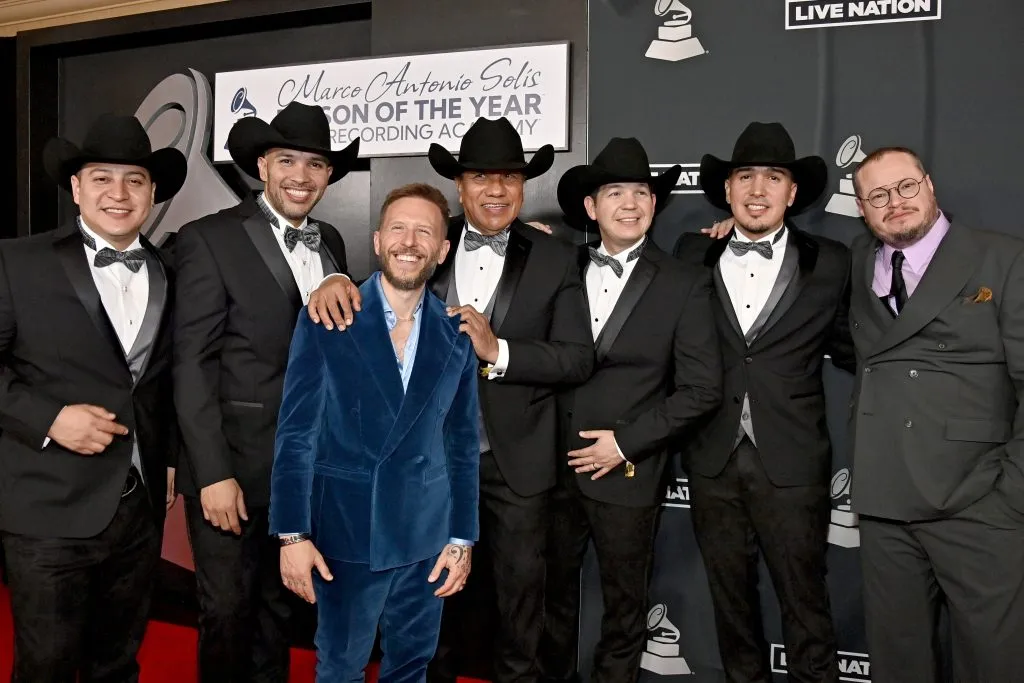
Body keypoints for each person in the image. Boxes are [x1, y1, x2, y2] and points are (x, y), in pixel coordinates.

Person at [308, 116, 594, 683]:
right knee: (424, 607)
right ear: (459, 186)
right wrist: (333, 280)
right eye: (481, 177)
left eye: (508, 178)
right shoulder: (424, 241)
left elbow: (576, 357)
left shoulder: (558, 257)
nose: (495, 189)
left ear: (522, 186)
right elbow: (379, 297)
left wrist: (500, 350)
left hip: (516, 466)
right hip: (426, 463)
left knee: (520, 610)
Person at [172, 101, 361, 682]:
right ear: (262, 165)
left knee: (281, 610)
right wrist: (211, 473)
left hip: (305, 469)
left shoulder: (330, 241)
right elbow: (192, 364)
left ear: (330, 175)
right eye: (287, 161)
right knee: (228, 611)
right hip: (233, 466)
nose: (301, 176)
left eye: (315, 164)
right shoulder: (207, 238)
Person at [270, 182, 479, 682]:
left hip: (427, 538)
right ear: (379, 240)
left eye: (424, 232)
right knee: (341, 667)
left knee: (410, 666)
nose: (410, 242)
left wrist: (462, 538)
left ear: (443, 249)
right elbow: (296, 434)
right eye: (399, 229)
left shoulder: (459, 335)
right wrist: (291, 534)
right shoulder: (328, 318)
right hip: (346, 530)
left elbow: (463, 444)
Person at [0, 113, 182, 681]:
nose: (119, 193)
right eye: (101, 177)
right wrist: (50, 418)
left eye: (134, 179)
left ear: (153, 192)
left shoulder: (170, 269)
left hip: (138, 509)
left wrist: (170, 457)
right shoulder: (17, 260)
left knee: (117, 663)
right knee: (48, 667)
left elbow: (166, 381)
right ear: (76, 188)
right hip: (47, 508)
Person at [674, 121, 853, 683]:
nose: (757, 189)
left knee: (806, 604)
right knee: (731, 607)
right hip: (711, 459)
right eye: (745, 177)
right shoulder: (690, 255)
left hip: (794, 461)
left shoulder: (833, 261)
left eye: (773, 177)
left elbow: (859, 347)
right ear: (727, 190)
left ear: (792, 192)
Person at [540, 137, 723, 682]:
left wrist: (623, 444)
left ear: (654, 203)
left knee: (625, 611)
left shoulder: (685, 280)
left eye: (641, 191)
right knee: (550, 602)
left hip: (627, 471)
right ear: (591, 207)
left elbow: (701, 389)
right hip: (547, 469)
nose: (630, 202)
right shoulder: (556, 265)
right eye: (614, 192)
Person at [848, 146, 1024, 683]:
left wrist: (1012, 492)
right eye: (877, 195)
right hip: (885, 503)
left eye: (904, 186)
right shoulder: (857, 263)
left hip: (977, 501)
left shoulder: (1002, 258)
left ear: (928, 185)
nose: (894, 203)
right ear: (861, 208)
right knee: (899, 666)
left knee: (994, 663)